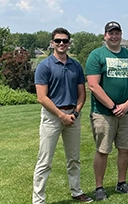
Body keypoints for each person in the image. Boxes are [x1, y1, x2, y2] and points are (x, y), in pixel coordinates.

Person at [33, 28, 93, 203]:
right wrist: (61, 115)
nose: (61, 44)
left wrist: (74, 113)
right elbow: (41, 97)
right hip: (52, 116)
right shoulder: (44, 66)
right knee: (45, 161)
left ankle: (76, 191)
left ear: (69, 43)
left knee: (74, 159)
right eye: (58, 41)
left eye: (65, 41)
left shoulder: (76, 66)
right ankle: (38, 200)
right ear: (52, 43)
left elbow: (82, 93)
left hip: (73, 116)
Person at [85, 21, 128, 201]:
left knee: (125, 149)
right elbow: (93, 85)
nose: (114, 36)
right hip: (103, 112)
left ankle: (121, 183)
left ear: (121, 35)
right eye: (111, 33)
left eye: (117, 33)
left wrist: (125, 106)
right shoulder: (96, 55)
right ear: (105, 35)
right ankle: (99, 187)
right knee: (103, 150)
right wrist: (113, 106)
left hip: (127, 112)